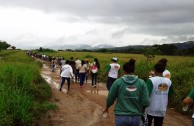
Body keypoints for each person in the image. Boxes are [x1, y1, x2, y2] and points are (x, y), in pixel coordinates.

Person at [103, 59, 150, 126]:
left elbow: (110, 98)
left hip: (121, 116)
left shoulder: (118, 82)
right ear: (134, 70)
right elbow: (146, 102)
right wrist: (141, 110)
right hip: (136, 116)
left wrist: (107, 107)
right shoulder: (141, 83)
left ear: (124, 70)